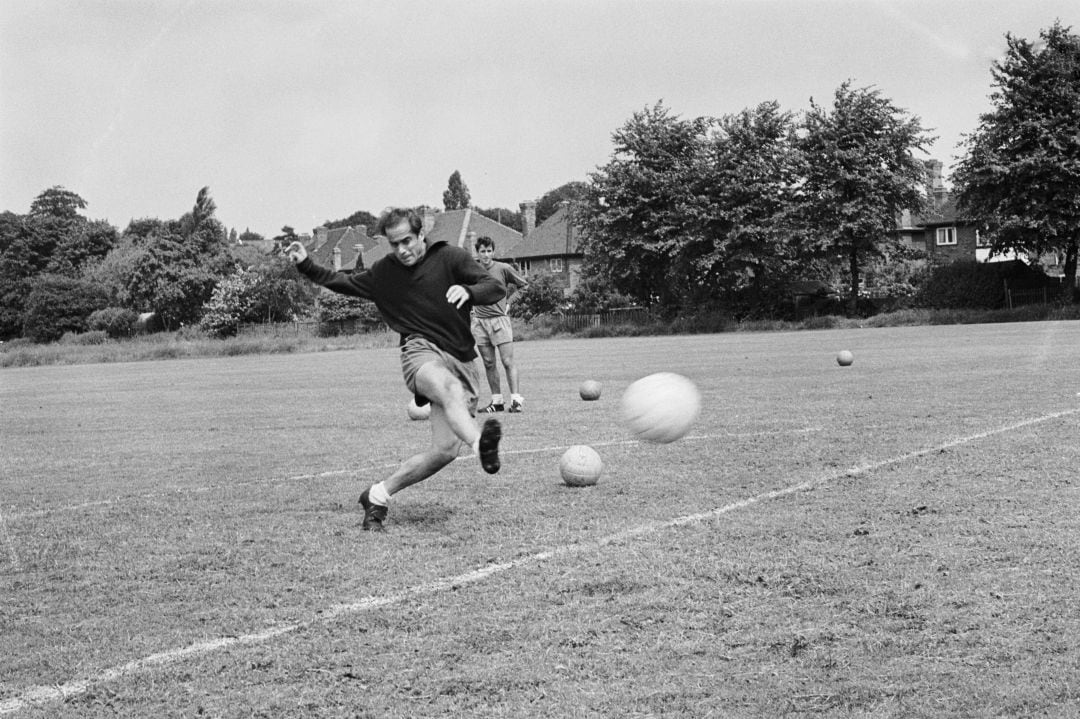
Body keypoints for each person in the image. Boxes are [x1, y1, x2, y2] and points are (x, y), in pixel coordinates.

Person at [285, 207, 506, 532]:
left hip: (462, 358)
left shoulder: (450, 258)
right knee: (447, 388)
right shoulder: (386, 272)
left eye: (407, 241)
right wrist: (305, 263)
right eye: (394, 243)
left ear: (421, 236)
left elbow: (495, 288)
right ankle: (480, 444)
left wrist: (469, 291)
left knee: (444, 451)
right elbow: (342, 281)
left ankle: (377, 494)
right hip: (420, 352)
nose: (401, 249)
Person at [472, 235, 529, 413]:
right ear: (478, 253)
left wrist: (510, 302)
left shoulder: (503, 268)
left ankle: (516, 401)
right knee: (489, 362)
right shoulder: (472, 270)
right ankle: (496, 402)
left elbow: (524, 286)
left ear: (493, 251)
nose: (486, 254)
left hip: (500, 321)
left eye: (489, 251)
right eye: (483, 251)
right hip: (479, 323)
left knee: (507, 361)